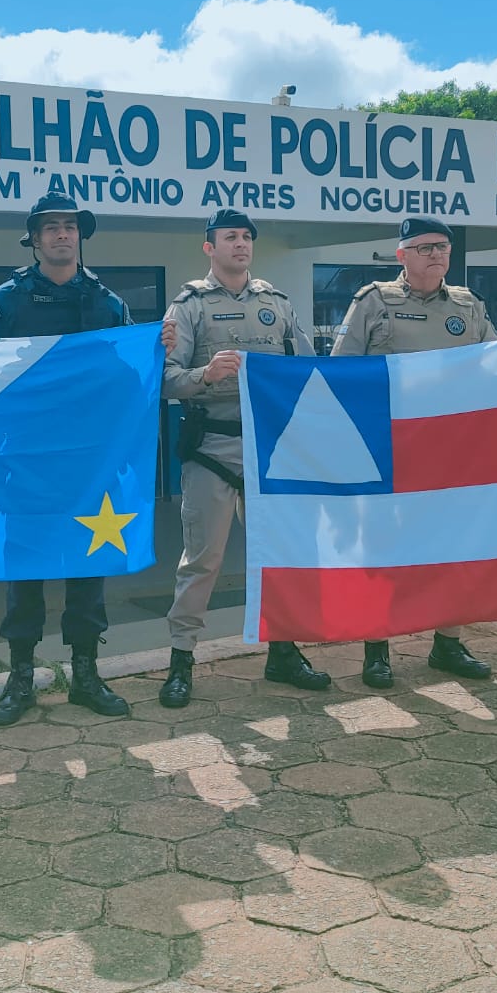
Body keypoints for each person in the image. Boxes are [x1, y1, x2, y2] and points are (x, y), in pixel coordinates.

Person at [0, 192, 134, 726]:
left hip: (88, 463)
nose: (62, 234)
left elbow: (124, 382)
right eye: (51, 227)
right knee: (27, 574)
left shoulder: (109, 305)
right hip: (27, 461)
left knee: (88, 569)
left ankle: (86, 673)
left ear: (80, 235)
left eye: (70, 226)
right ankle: (21, 678)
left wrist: (155, 348)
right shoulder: (6, 302)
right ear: (34, 238)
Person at [158, 208, 332, 708]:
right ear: (209, 247)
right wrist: (206, 376)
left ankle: (282, 651)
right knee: (203, 561)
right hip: (212, 447)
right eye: (229, 237)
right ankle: (180, 661)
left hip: (270, 448)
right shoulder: (189, 306)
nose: (240, 244)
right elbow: (166, 381)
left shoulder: (276, 303)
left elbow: (305, 373)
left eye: (246, 237)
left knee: (278, 554)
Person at [330, 216, 497, 687]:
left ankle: (447, 643)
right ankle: (377, 649)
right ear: (401, 254)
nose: (437, 255)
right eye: (425, 247)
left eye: (443, 247)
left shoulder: (467, 306)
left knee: (451, 549)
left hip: (451, 452)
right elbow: (342, 374)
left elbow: (493, 368)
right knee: (384, 549)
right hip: (389, 448)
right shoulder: (373, 302)